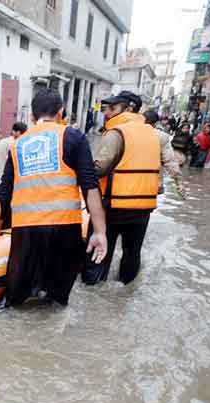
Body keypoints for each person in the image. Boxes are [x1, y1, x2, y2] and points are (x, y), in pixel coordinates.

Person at [0, 89, 108, 307]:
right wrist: (99, 232)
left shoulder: (17, 144)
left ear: (32, 118)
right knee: (57, 301)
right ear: (61, 112)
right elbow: (90, 187)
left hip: (25, 230)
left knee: (15, 299)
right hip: (64, 228)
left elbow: (4, 192)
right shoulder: (73, 137)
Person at [82, 91, 157, 286]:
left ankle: (92, 289)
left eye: (113, 108)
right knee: (132, 253)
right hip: (143, 207)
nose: (107, 113)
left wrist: (81, 166)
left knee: (98, 253)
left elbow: (99, 168)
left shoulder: (117, 133)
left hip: (114, 206)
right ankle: (126, 290)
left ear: (129, 109)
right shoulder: (152, 133)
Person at [143, 110, 185, 197]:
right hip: (151, 183)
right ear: (156, 123)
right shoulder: (161, 137)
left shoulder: (126, 133)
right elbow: (170, 162)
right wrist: (179, 183)